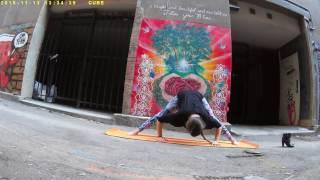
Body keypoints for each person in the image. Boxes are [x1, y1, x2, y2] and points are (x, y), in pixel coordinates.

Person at [129, 90, 238, 145]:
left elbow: (218, 126)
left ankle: (232, 139)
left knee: (213, 116)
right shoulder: (180, 114)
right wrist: (159, 136)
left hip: (199, 96)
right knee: (162, 112)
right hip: (182, 95)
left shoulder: (206, 116)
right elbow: (160, 119)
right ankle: (137, 130)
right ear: (186, 124)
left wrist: (217, 141)